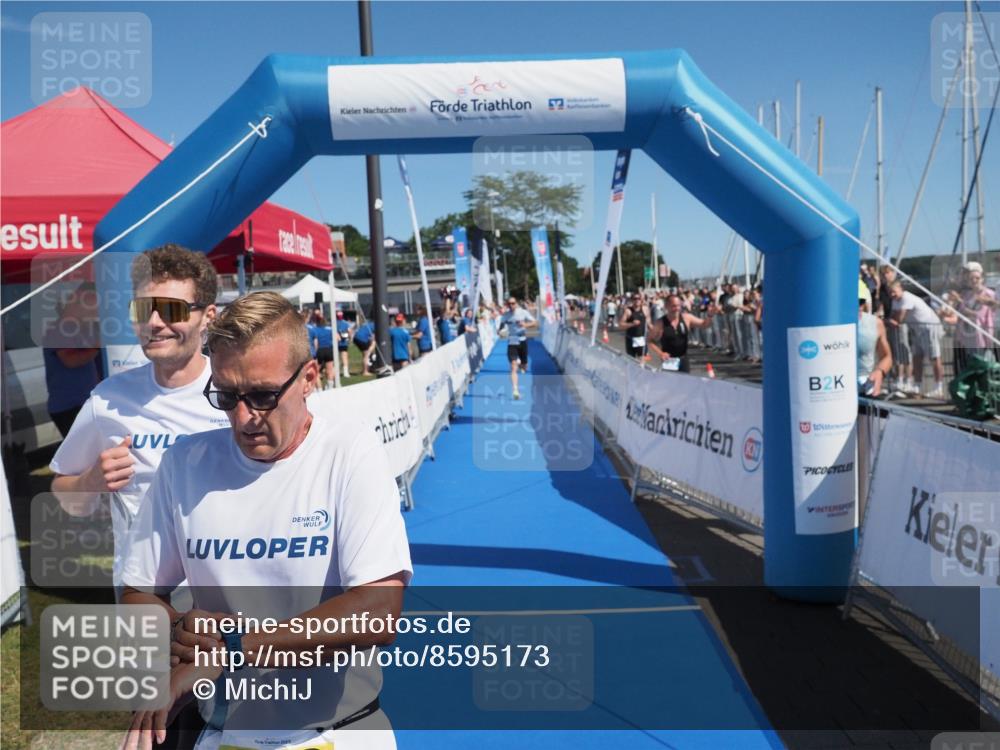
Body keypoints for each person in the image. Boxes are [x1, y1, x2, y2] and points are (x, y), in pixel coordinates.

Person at [121, 291, 411, 750]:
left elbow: (378, 612)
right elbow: (138, 592)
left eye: (262, 395)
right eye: (226, 395)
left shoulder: (349, 453)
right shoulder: (184, 463)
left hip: (338, 730)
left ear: (309, 377)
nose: (243, 418)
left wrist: (233, 650)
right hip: (225, 732)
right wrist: (178, 633)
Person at [50, 244, 227, 588]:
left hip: (228, 592)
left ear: (208, 316)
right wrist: (90, 482)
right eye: (143, 309)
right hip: (143, 593)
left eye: (172, 309)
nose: (154, 323)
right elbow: (63, 491)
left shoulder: (236, 392)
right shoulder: (107, 400)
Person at [42, 282, 103, 437]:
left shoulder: (82, 328)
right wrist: (96, 347)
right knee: (85, 450)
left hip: (83, 403)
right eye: (91, 304)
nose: (94, 310)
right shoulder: (58, 330)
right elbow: (70, 361)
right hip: (69, 406)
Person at [940, 261, 998, 374]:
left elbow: (977, 314)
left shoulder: (988, 293)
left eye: (977, 278)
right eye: (971, 278)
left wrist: (961, 302)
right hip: (966, 336)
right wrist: (955, 303)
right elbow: (960, 312)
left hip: (982, 335)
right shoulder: (967, 294)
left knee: (981, 365)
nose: (974, 280)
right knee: (967, 365)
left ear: (982, 279)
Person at [889, 281, 944, 397]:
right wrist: (891, 320)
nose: (892, 294)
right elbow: (893, 316)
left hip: (929, 327)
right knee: (917, 358)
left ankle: (938, 387)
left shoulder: (907, 298)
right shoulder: (895, 300)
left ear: (901, 289)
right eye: (890, 292)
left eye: (894, 291)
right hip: (916, 330)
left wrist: (890, 321)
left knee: (934, 357)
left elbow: (899, 319)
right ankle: (917, 386)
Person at [647, 294, 715, 373]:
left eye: (678, 305)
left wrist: (710, 315)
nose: (677, 308)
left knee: (685, 380)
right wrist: (661, 353)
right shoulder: (660, 323)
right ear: (666, 306)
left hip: (683, 359)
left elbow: (704, 324)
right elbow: (649, 340)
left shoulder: (686, 318)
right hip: (669, 361)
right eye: (673, 306)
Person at [857, 280, 892, 397]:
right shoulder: (826, 326)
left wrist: (879, 371)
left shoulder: (875, 323)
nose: (858, 307)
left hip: (864, 390)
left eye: (861, 302)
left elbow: (887, 356)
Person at [498, 297, 536, 400]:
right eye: (509, 304)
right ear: (507, 305)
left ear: (516, 303)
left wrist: (526, 324)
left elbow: (535, 322)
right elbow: (501, 326)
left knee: (524, 367)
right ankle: (515, 390)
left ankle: (521, 363)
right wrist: (499, 331)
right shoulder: (505, 315)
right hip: (512, 341)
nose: (511, 305)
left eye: (513, 303)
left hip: (522, 340)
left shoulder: (523, 312)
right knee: (513, 366)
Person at [310, 310, 335, 388]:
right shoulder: (330, 329)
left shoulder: (314, 329)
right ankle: (330, 387)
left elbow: (314, 341)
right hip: (329, 349)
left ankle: (318, 388)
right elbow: (337, 338)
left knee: (316, 371)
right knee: (330, 370)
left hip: (319, 350)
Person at [620, 293, 648, 360]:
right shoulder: (628, 311)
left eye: (639, 298)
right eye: (635, 299)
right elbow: (621, 324)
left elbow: (649, 323)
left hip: (641, 339)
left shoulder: (645, 309)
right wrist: (632, 324)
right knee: (631, 360)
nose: (637, 300)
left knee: (642, 361)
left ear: (641, 300)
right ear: (632, 300)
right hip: (631, 339)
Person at [335, 309, 353, 377]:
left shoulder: (334, 323)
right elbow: (350, 331)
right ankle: (345, 373)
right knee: (344, 357)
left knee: (336, 358)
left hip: (336, 342)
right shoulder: (346, 323)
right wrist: (350, 339)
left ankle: (336, 372)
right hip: (343, 342)